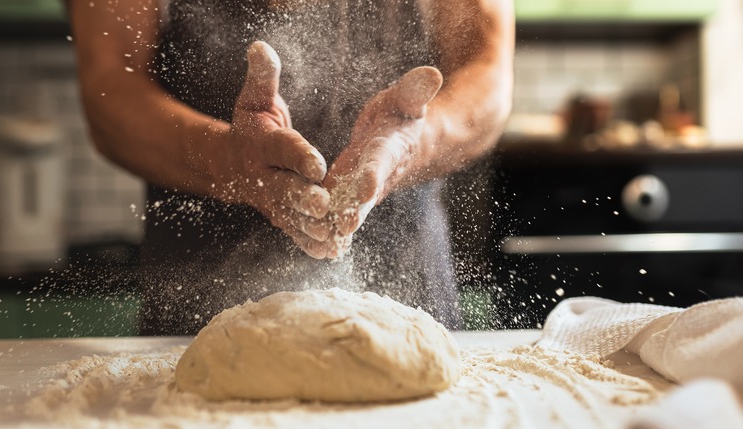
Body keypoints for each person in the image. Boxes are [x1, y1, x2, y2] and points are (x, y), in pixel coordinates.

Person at [67, 0, 514, 335]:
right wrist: (229, 160)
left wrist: (413, 142)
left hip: (408, 297)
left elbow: (487, 74)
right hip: (199, 309)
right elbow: (110, 89)